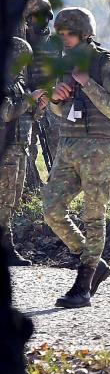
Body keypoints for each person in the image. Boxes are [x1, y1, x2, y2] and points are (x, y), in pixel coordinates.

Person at [36, 8, 110, 308]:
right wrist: (56, 100)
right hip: (69, 145)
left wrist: (88, 83)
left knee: (93, 216)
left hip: (98, 148)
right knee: (51, 210)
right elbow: (60, 110)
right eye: (60, 34)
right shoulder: (64, 63)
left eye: (69, 34)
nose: (65, 39)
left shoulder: (106, 63)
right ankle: (95, 263)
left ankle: (83, 285)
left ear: (85, 32)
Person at [22, 0, 59, 194]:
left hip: (52, 102)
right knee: (28, 149)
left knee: (57, 147)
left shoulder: (56, 43)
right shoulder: (21, 42)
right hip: (26, 102)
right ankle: (31, 189)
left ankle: (56, 189)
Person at [2, 36, 33, 266]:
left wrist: (36, 106)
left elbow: (27, 116)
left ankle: (7, 246)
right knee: (4, 200)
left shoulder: (18, 83)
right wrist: (27, 101)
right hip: (7, 149)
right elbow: (6, 113)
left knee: (13, 200)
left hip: (21, 147)